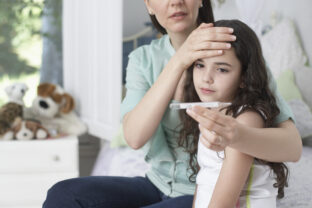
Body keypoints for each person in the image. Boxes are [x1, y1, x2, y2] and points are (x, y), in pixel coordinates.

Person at [43, 0, 301, 207]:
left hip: (200, 195)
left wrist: (237, 135)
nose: (175, 2)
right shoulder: (143, 60)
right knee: (64, 194)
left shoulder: (235, 52)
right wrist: (180, 60)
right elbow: (134, 137)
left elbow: (292, 147)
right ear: (149, 5)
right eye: (199, 66)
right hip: (156, 184)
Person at [181, 19, 288, 208]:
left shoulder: (246, 120)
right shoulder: (210, 112)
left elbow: (224, 202)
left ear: (244, 78)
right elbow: (205, 179)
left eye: (221, 69)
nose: (206, 78)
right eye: (200, 65)